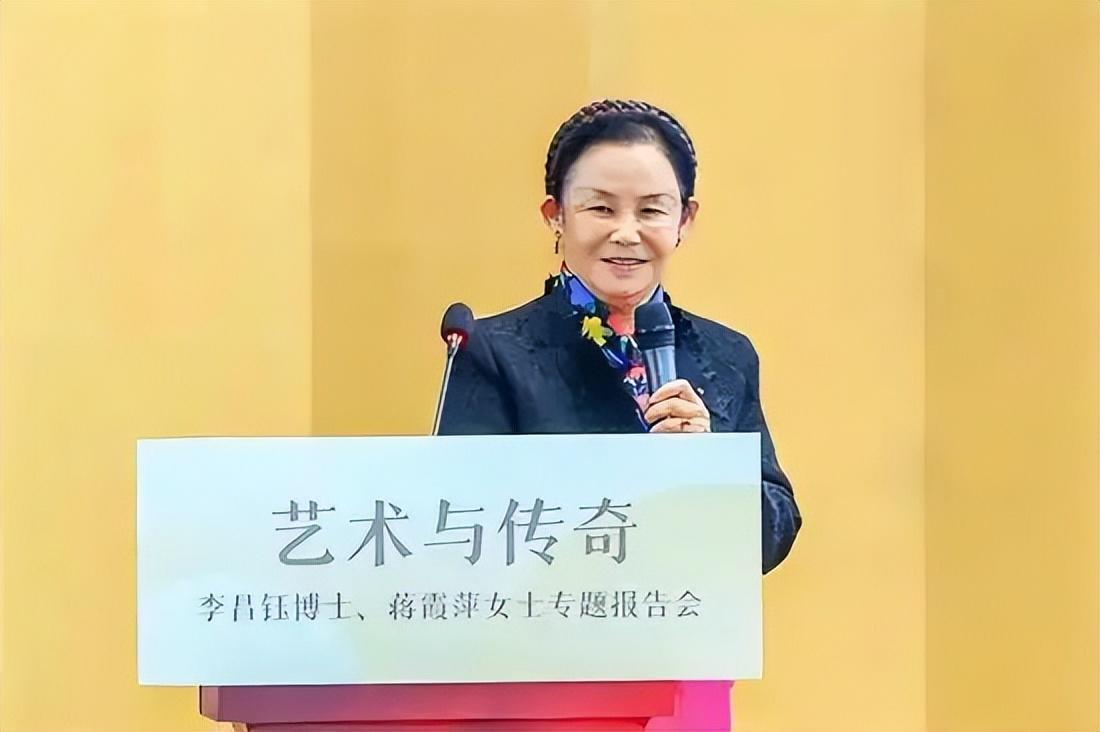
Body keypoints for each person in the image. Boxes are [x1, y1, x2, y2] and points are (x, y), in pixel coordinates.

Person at [437, 99, 800, 575]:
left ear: (684, 220)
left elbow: (776, 527)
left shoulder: (726, 354)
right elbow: (461, 524)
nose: (627, 233)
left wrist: (708, 468)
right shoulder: (494, 351)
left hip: (685, 618)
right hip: (553, 615)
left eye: (651, 210)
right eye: (601, 209)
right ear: (556, 215)